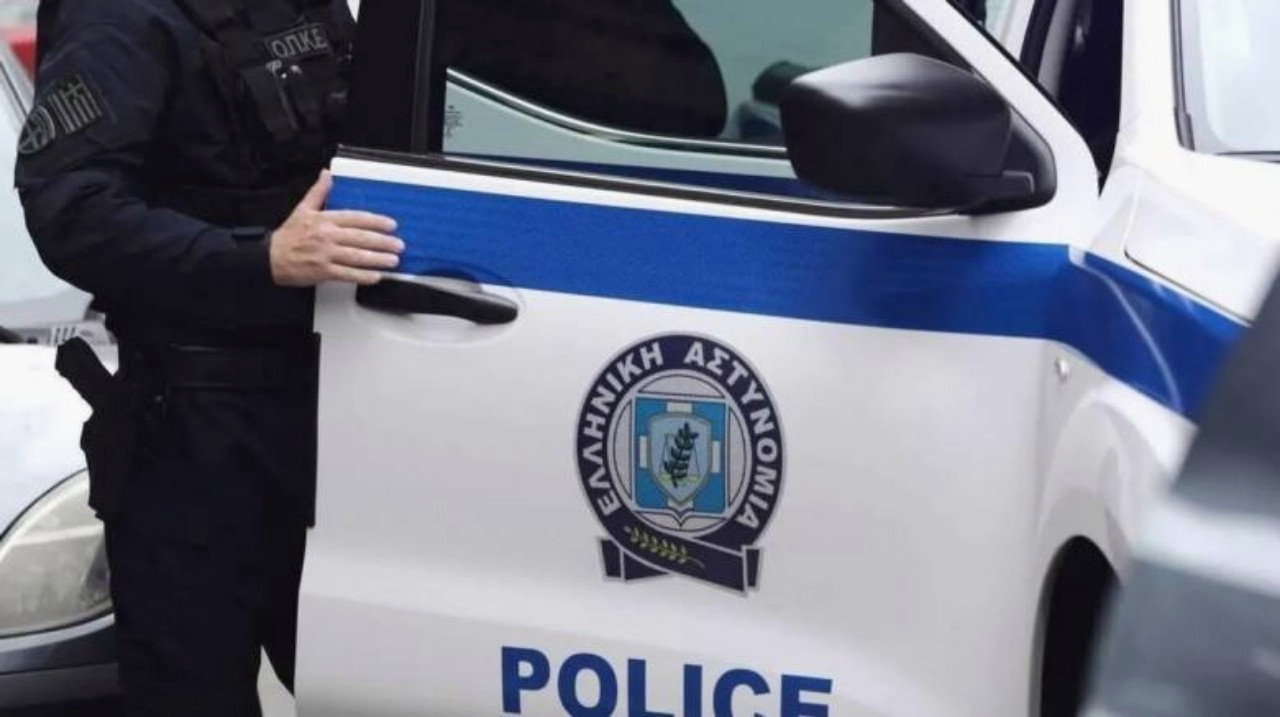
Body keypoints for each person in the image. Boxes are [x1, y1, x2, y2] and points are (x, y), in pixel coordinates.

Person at [15, 0, 403, 714]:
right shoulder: (120, 14)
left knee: (384, 687)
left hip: (340, 410)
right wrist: (259, 258)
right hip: (197, 437)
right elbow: (70, 209)